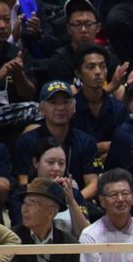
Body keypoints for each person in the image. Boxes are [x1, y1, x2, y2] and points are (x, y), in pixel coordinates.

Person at [12, 81, 100, 218]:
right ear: (41, 108)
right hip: (37, 201)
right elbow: (23, 183)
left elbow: (93, 183)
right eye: (53, 102)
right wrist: (50, 199)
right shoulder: (27, 141)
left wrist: (72, 199)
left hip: (76, 202)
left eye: (66, 102)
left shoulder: (86, 141)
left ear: (74, 107)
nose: (60, 107)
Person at [45, 0, 133, 97]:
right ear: (68, 29)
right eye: (77, 24)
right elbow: (66, 96)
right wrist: (111, 87)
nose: (83, 29)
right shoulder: (60, 59)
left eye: (88, 24)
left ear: (98, 27)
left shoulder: (108, 57)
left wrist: (129, 86)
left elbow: (119, 94)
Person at [71, 43, 130, 158]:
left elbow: (125, 144)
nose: (98, 72)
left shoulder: (118, 109)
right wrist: (102, 147)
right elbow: (71, 147)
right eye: (91, 67)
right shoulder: (70, 109)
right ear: (78, 73)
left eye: (102, 66)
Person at [25, 138, 89, 238]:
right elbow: (23, 232)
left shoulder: (73, 194)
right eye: (50, 162)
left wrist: (71, 202)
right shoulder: (22, 194)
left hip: (69, 251)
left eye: (61, 163)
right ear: (36, 162)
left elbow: (85, 235)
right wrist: (46, 193)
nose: (56, 168)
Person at [0, 0, 36, 104]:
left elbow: (29, 96)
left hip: (11, 116)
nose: (2, 26)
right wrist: (0, 75)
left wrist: (20, 76)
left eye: (7, 20)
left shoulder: (19, 55)